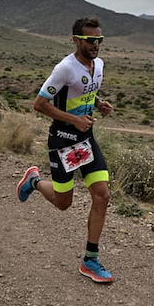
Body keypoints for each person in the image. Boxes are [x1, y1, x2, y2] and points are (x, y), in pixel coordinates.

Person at [16, 16, 115, 283]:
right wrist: (73, 120)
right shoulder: (65, 68)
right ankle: (34, 180)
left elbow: (84, 93)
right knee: (64, 203)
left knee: (102, 195)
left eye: (99, 40)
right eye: (90, 40)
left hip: (86, 140)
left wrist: (99, 103)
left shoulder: (99, 65)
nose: (96, 44)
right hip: (63, 141)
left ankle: (90, 260)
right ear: (76, 40)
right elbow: (39, 104)